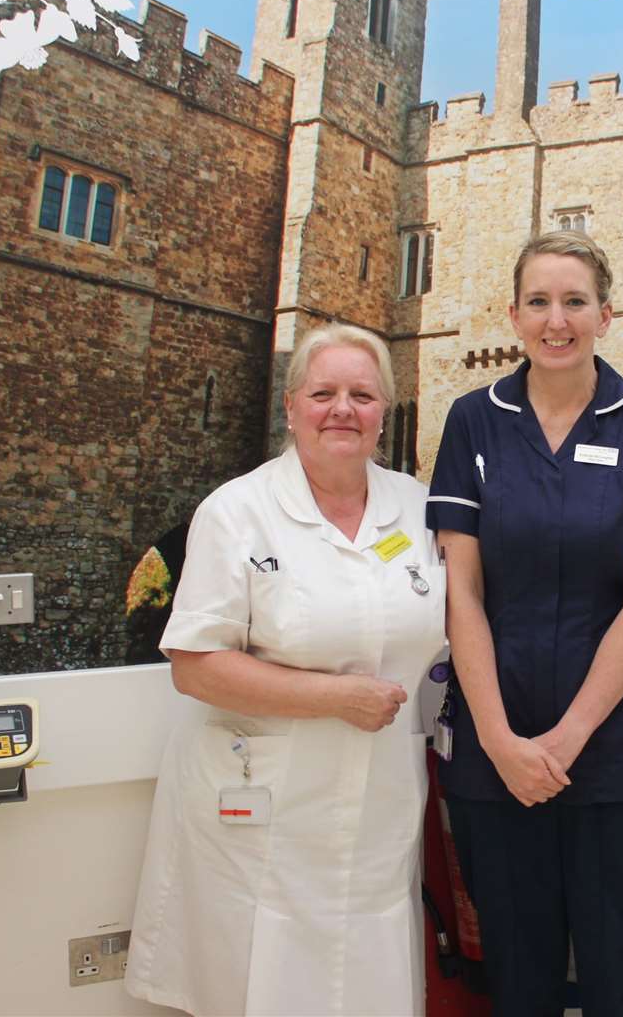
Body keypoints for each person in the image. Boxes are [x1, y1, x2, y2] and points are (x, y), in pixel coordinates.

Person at [125, 324, 446, 1017]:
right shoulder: (237, 512)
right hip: (260, 802)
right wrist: (334, 697)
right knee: (264, 979)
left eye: (361, 395)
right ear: (292, 406)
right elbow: (195, 665)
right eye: (323, 392)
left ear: (384, 411)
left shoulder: (418, 510)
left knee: (368, 973)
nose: (342, 409)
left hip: (378, 799)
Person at [426, 230, 623, 1017]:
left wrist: (567, 739)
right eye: (539, 302)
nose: (556, 320)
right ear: (513, 314)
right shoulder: (474, 421)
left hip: (613, 757)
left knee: (620, 980)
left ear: (606, 315)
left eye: (575, 302)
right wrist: (505, 744)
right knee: (518, 981)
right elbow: (460, 595)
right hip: (495, 757)